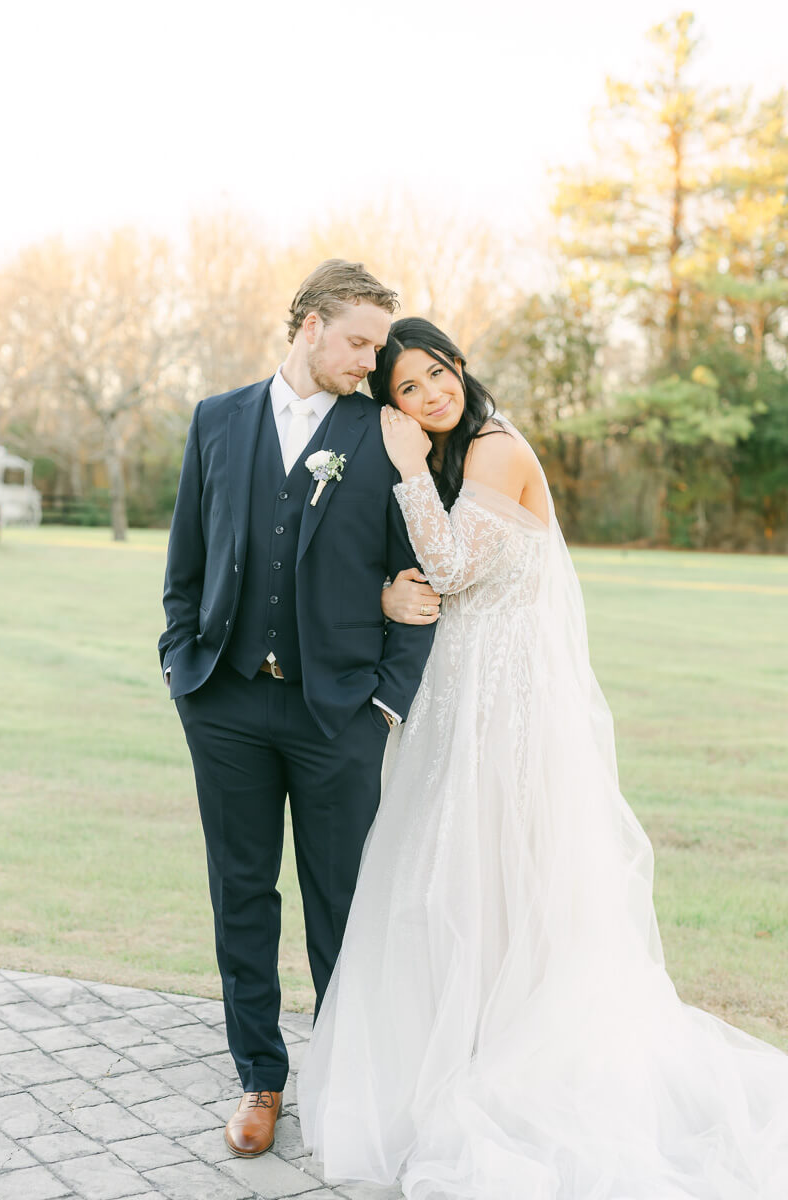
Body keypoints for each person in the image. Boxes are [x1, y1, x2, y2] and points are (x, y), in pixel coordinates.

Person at [298, 317, 788, 1198]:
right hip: (459, 705)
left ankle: (509, 1065)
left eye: (436, 375)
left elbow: (446, 566)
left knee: (504, 882)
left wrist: (407, 464)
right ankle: (461, 1054)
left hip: (508, 714)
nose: (430, 395)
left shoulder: (493, 447)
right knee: (452, 884)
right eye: (407, 389)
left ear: (459, 367)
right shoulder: (457, 456)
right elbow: (417, 573)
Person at [158, 265, 437, 1160]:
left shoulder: (385, 433)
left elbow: (418, 576)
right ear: (311, 326)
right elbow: (187, 565)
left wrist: (386, 703)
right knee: (241, 893)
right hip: (227, 704)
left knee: (343, 905)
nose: (372, 360)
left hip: (339, 716)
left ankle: (349, 1078)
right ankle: (260, 1080)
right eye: (359, 342)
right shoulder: (217, 419)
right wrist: (183, 671)